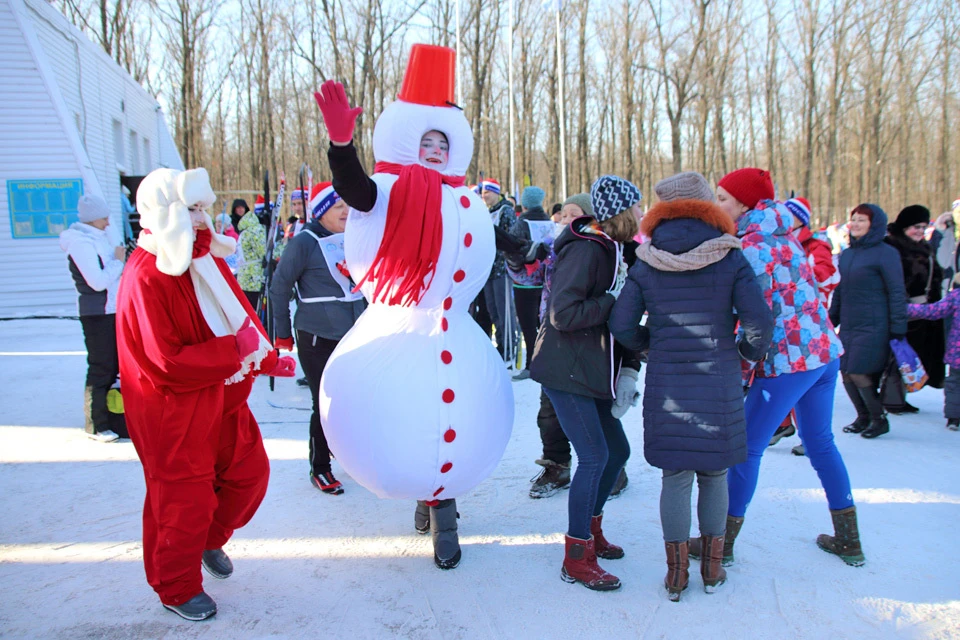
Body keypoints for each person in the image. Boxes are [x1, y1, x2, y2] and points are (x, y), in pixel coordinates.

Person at [313, 45, 514, 570]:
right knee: (407, 422)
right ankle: (430, 502)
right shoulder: (385, 188)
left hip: (457, 333)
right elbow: (353, 190)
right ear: (408, 139)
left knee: (461, 424)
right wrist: (341, 145)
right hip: (396, 330)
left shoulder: (468, 200)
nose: (432, 149)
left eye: (440, 141)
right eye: (424, 140)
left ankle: (444, 516)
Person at [116, 167, 296, 621]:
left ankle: (206, 539)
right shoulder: (145, 276)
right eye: (192, 209)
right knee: (181, 500)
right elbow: (164, 360)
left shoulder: (204, 257)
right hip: (173, 412)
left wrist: (267, 355)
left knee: (249, 475)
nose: (203, 218)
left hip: (224, 397)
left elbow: (238, 312)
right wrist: (232, 351)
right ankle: (175, 586)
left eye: (202, 208)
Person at [610, 171, 773, 601]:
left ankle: (677, 575)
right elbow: (760, 321)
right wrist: (744, 353)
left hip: (668, 383)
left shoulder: (647, 260)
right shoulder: (730, 255)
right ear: (707, 206)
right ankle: (714, 571)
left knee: (676, 477)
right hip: (718, 380)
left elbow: (622, 324)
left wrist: (652, 344)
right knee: (715, 473)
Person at [707, 168, 862, 569]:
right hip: (822, 353)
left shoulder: (753, 245)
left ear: (745, 204)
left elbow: (750, 314)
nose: (716, 204)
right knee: (820, 442)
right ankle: (849, 539)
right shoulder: (782, 234)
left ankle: (721, 544)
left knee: (746, 448)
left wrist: (737, 367)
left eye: (723, 198)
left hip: (790, 360)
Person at [530, 175, 643, 591]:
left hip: (590, 369)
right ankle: (576, 556)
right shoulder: (587, 250)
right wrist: (613, 298)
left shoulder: (611, 248)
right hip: (567, 370)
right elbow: (563, 314)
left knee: (618, 451)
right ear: (622, 213)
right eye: (637, 207)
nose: (642, 214)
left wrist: (630, 363)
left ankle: (591, 532)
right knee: (594, 456)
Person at [529, 193, 630, 500]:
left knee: (597, 436)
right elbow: (535, 283)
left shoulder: (592, 249)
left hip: (584, 351)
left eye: (575, 213)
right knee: (549, 413)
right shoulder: (559, 249)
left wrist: (631, 368)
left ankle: (612, 471)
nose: (566, 219)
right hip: (554, 345)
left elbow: (588, 307)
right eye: (563, 213)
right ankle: (557, 465)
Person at [270, 182, 366, 494]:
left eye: (348, 206)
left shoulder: (352, 237)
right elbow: (279, 287)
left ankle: (348, 451)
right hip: (317, 334)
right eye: (339, 207)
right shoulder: (304, 242)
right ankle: (320, 466)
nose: (347, 211)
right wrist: (282, 332)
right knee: (324, 403)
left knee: (353, 399)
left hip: (353, 333)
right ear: (323, 211)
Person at [768, 197, 840, 455]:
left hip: (808, 325)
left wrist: (798, 276)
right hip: (781, 322)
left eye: (789, 213)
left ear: (800, 218)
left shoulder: (815, 245)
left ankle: (811, 437)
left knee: (803, 381)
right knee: (777, 373)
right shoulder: (775, 240)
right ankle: (781, 424)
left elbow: (827, 277)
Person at [830, 204, 908, 439]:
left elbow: (896, 292)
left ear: (874, 225)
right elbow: (841, 290)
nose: (854, 224)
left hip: (875, 323)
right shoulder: (848, 253)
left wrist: (898, 327)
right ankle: (862, 417)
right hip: (850, 323)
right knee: (845, 371)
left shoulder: (886, 253)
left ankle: (878, 418)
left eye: (861, 220)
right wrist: (831, 319)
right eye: (852, 219)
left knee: (859, 371)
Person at [59, 194, 126, 442]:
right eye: (105, 217)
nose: (109, 222)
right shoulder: (81, 244)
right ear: (93, 218)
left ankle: (113, 417)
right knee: (101, 366)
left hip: (110, 311)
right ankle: (96, 424)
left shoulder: (98, 239)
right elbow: (97, 282)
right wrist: (118, 262)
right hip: (97, 313)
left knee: (115, 366)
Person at [882, 205, 945, 413]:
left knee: (911, 355)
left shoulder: (923, 247)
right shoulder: (892, 247)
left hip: (923, 312)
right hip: (902, 309)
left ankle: (899, 396)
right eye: (915, 226)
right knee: (898, 356)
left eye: (923, 227)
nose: (919, 231)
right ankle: (891, 399)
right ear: (904, 226)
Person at [507, 185, 552, 378]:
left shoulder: (521, 223)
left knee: (527, 323)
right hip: (545, 280)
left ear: (525, 203)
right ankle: (545, 360)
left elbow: (512, 249)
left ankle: (531, 365)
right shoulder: (548, 221)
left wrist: (514, 268)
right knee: (541, 322)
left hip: (524, 281)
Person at [479, 179, 518, 361]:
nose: (484, 195)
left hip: (502, 268)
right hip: (488, 269)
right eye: (482, 192)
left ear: (496, 192)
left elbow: (511, 238)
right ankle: (502, 344)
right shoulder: (487, 212)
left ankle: (510, 346)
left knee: (504, 311)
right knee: (493, 311)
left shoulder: (506, 211)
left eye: (488, 192)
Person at [236, 200, 267, 310]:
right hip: (255, 279)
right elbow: (265, 253)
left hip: (245, 278)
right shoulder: (255, 230)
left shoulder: (246, 230)